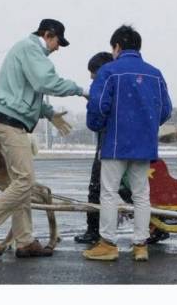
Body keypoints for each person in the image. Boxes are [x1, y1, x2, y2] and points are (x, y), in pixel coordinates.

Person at [0, 19, 87, 258]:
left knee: (19, 184)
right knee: (25, 182)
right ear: (48, 34)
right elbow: (45, 82)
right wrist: (81, 90)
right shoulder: (31, 49)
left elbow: (27, 92)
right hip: (11, 125)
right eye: (57, 42)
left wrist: (49, 113)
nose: (58, 48)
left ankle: (24, 241)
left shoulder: (26, 51)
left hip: (10, 122)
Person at [83, 25, 172, 262]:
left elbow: (98, 106)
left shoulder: (109, 71)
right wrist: (147, 125)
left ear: (117, 47)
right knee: (142, 194)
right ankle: (140, 245)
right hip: (144, 144)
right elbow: (165, 109)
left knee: (109, 193)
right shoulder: (155, 73)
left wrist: (97, 124)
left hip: (115, 143)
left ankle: (108, 244)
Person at [74, 51, 113, 245]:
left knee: (97, 187)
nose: (91, 76)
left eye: (93, 72)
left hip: (107, 142)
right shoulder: (123, 83)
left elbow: (96, 118)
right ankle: (150, 226)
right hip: (130, 144)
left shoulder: (105, 84)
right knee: (133, 191)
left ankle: (94, 230)